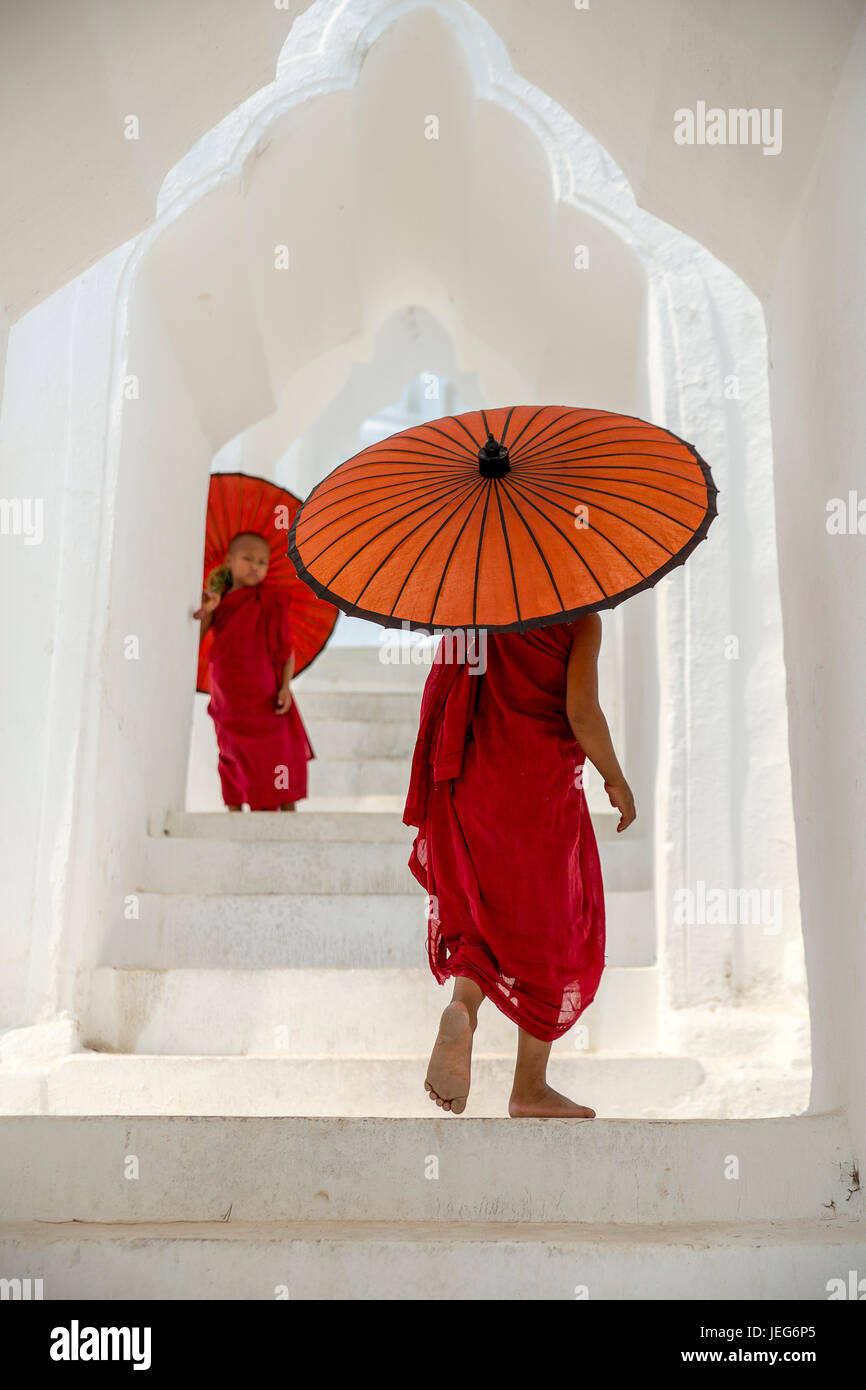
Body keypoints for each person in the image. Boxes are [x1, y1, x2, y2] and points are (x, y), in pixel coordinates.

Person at [403, 612, 636, 1118]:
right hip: (540, 786)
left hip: (469, 777)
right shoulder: (579, 621)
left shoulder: (475, 607)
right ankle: (529, 1086)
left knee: (480, 917)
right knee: (552, 929)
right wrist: (615, 778)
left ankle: (464, 1006)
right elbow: (582, 711)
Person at [193, 531, 314, 811]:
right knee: (232, 752)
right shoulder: (218, 600)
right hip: (230, 697)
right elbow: (195, 641)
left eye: (262, 561)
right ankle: (235, 810)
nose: (254, 566)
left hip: (267, 695)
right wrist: (207, 610)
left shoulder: (271, 601)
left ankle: (285, 811)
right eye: (247, 559)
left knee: (279, 753)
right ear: (229, 560)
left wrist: (285, 687)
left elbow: (287, 652)